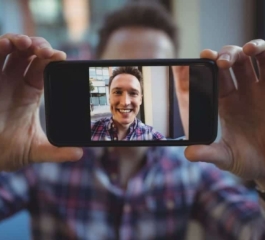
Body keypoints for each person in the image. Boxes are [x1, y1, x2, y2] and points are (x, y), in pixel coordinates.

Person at [0, 2, 265, 240]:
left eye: (134, 91)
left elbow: (252, 230)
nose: (125, 101)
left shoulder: (191, 168)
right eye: (117, 90)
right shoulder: (43, 161)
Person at [91, 66, 165, 141]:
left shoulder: (154, 138)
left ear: (140, 100)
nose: (125, 102)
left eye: (133, 93)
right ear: (109, 98)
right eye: (117, 92)